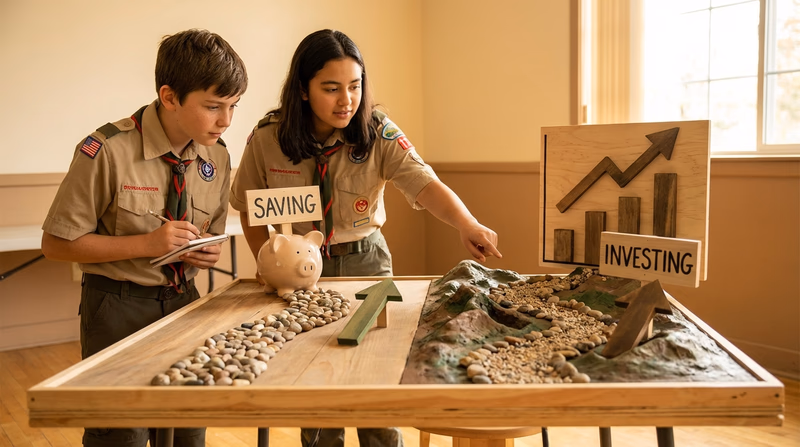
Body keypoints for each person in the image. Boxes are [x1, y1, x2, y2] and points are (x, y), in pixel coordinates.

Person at [230, 29, 501, 447]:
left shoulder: (377, 130)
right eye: (331, 88)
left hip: (366, 263)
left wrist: (467, 224)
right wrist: (267, 266)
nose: (346, 101)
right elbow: (249, 207)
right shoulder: (269, 136)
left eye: (355, 86)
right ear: (303, 90)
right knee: (315, 386)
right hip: (300, 273)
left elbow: (425, 185)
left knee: (375, 380)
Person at [40, 29, 247, 447]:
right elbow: (56, 244)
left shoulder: (218, 155)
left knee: (188, 430)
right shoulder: (106, 150)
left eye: (233, 107)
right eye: (213, 107)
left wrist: (202, 252)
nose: (226, 121)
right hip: (116, 308)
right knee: (121, 434)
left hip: (185, 306)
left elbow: (209, 231)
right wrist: (147, 245)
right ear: (170, 97)